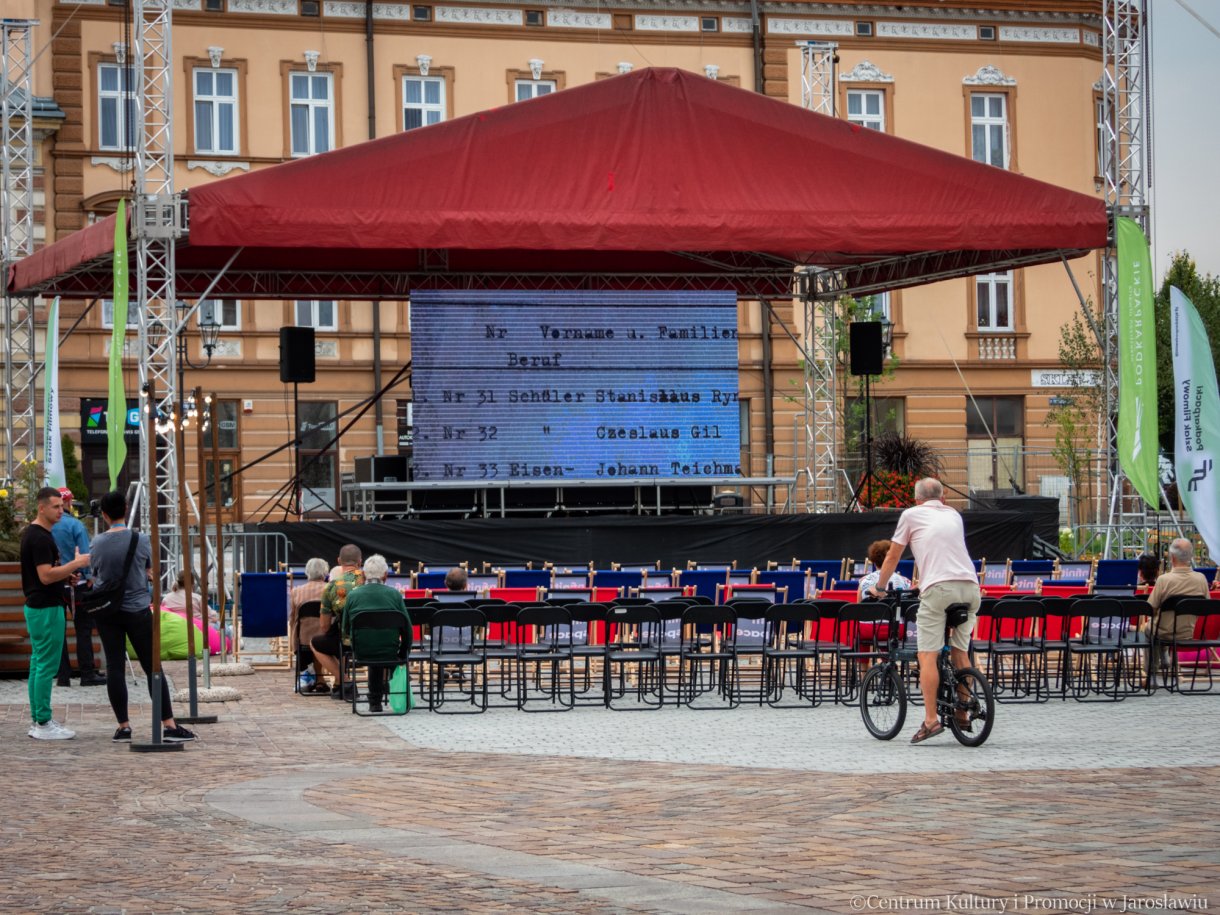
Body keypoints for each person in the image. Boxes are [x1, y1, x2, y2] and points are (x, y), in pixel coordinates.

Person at [869, 477, 980, 744]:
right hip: (970, 587)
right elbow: (944, 551)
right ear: (943, 499)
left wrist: (880, 587)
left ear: (916, 499)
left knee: (926, 655)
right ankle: (963, 713)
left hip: (939, 589)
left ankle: (931, 720)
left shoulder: (911, 514)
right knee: (960, 652)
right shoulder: (953, 514)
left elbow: (893, 556)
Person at [89, 490, 196, 743]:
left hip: (107, 611)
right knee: (152, 666)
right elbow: (148, 568)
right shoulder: (141, 539)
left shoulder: (97, 543)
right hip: (137, 609)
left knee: (115, 667)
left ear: (104, 515)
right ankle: (168, 724)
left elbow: (96, 574)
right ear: (125, 510)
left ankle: (123, 726)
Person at [20, 487, 91, 740]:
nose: (62, 511)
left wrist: (66, 576)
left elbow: (49, 574)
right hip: (46, 608)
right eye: (56, 507)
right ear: (42, 508)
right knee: (45, 666)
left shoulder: (37, 534)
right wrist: (76, 564)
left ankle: (39, 719)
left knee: (38, 664)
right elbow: (45, 575)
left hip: (40, 605)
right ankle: (42, 722)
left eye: (62, 506)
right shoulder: (39, 538)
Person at [342, 554, 412, 712]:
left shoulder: (353, 595)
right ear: (386, 575)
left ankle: (375, 702)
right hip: (389, 650)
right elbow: (407, 628)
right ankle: (392, 694)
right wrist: (403, 652)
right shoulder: (394, 595)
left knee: (372, 646)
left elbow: (345, 628)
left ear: (364, 574)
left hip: (362, 652)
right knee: (383, 645)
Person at [53, 487, 106, 687]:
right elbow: (85, 554)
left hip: (56, 582)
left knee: (59, 630)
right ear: (68, 503)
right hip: (78, 584)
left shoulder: (48, 526)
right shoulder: (76, 525)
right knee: (83, 629)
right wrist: (89, 576)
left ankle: (63, 676)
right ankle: (87, 673)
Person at [311, 544, 364, 700]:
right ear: (360, 562)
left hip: (347, 639)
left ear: (339, 561)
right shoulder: (369, 582)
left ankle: (345, 681)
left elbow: (324, 626)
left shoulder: (332, 587)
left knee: (317, 643)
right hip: (374, 638)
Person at [1146, 538, 1209, 653]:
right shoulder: (1201, 579)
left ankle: (1152, 668)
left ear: (1172, 557)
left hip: (1163, 632)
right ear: (1190, 557)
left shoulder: (1164, 580)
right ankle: (1166, 657)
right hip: (1188, 632)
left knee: (1148, 628)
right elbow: (1205, 608)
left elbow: (1151, 608)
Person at [290, 557, 330, 693]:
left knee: (303, 629)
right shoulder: (331, 590)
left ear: (307, 572)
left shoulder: (296, 591)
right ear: (325, 572)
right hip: (327, 636)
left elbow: (293, 618)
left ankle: (317, 679)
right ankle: (320, 679)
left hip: (303, 638)